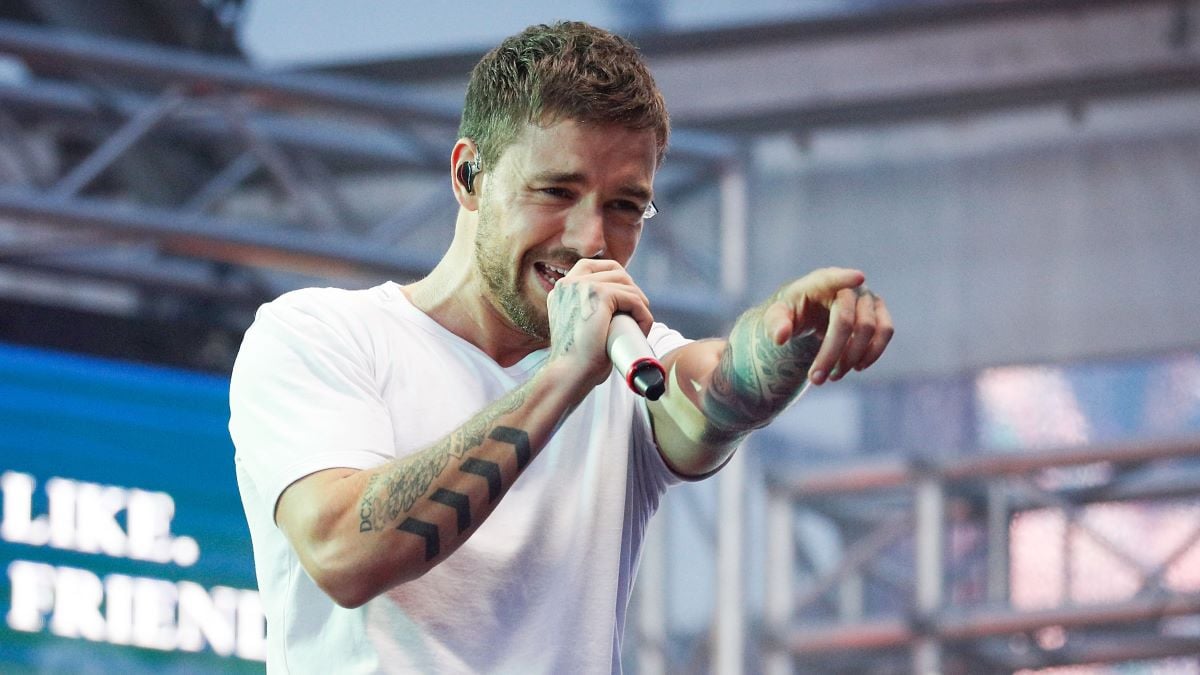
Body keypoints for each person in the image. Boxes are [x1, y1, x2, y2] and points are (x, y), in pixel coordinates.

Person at [229, 20, 892, 674]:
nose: (591, 239)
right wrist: (563, 377)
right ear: (469, 177)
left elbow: (719, 391)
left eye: (626, 206)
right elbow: (343, 553)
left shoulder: (629, 356)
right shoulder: (319, 334)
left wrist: (786, 341)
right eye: (557, 191)